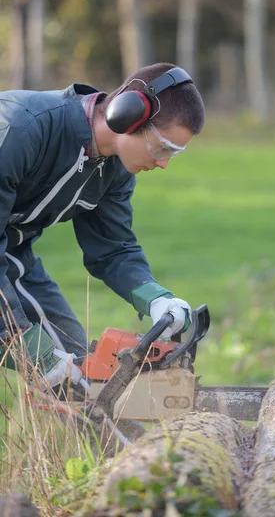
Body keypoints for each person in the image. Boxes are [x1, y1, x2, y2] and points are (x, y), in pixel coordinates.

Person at [0, 62, 205, 392]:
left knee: (78, 371)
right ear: (129, 114)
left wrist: (156, 299)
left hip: (10, 251)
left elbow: (112, 249)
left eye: (174, 154)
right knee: (40, 353)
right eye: (163, 147)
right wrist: (22, 340)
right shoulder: (21, 129)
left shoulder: (114, 170)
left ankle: (134, 445)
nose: (164, 163)